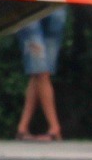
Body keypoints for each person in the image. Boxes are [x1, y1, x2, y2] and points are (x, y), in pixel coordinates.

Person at [14, 9, 67, 142]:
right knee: (41, 71)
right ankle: (55, 127)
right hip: (28, 2)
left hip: (57, 3)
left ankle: (22, 127)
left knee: (40, 73)